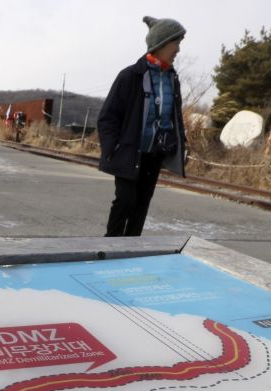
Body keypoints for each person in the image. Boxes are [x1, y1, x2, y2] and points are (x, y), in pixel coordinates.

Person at [97, 16, 187, 236]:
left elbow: (175, 117)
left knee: (142, 204)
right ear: (162, 43)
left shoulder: (172, 79)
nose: (178, 49)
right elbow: (107, 118)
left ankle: (131, 248)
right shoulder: (131, 76)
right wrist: (113, 149)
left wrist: (179, 143)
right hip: (129, 151)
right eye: (176, 43)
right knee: (125, 200)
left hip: (154, 154)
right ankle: (110, 246)